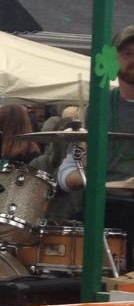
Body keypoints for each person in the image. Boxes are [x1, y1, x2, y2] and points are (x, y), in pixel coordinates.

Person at [57, 25, 134, 266]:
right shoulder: (96, 109)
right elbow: (69, 170)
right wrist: (77, 177)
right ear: (114, 59)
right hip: (104, 208)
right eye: (128, 54)